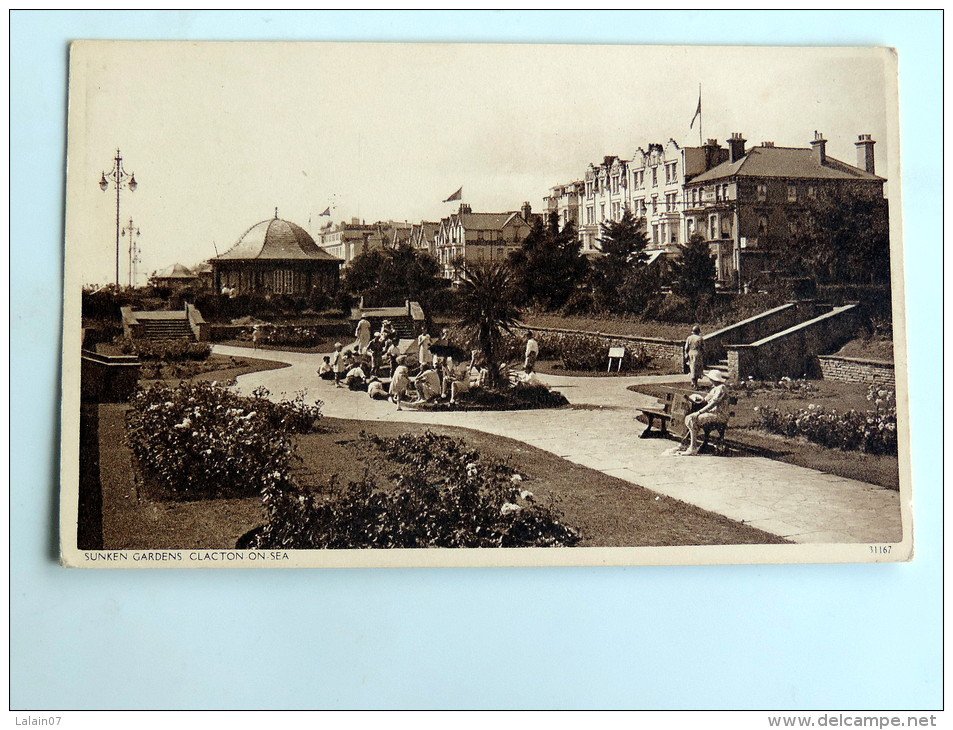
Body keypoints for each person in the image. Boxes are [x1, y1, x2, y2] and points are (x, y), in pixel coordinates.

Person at [677, 370, 731, 456]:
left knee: (692, 418)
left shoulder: (721, 388)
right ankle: (689, 444)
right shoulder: (715, 388)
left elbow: (714, 403)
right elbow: (705, 400)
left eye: (710, 378)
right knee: (690, 417)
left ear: (713, 379)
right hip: (712, 414)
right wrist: (696, 399)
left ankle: (692, 447)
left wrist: (699, 412)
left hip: (719, 415)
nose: (709, 380)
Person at [684, 325, 706, 390]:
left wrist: (686, 353)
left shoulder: (689, 338)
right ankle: (695, 383)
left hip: (691, 353)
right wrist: (703, 353)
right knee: (697, 368)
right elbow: (703, 347)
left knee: (692, 368)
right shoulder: (700, 338)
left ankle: (693, 382)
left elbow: (686, 347)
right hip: (697, 353)